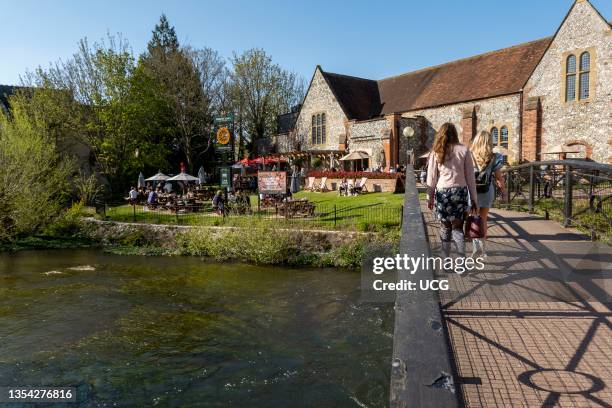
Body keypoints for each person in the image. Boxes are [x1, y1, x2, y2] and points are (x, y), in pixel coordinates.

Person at [426, 123, 478, 260]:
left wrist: (429, 198)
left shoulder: (436, 152)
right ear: (455, 134)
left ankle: (446, 261)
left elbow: (431, 178)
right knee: (458, 228)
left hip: (443, 193)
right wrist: (474, 200)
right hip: (460, 193)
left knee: (445, 227)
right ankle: (461, 263)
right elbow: (470, 177)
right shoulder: (464, 150)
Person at [469, 130, 506, 257]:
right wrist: (504, 191)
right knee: (483, 219)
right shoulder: (495, 157)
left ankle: (476, 248)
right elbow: (499, 178)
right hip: (487, 191)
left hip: (472, 191)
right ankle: (483, 250)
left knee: (474, 218)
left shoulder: (469, 155)